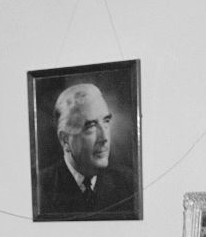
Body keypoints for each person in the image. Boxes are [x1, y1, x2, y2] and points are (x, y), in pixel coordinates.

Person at [37, 82, 135, 218]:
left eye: (106, 122)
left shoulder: (129, 184)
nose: (105, 138)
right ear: (65, 139)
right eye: (91, 126)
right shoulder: (38, 189)